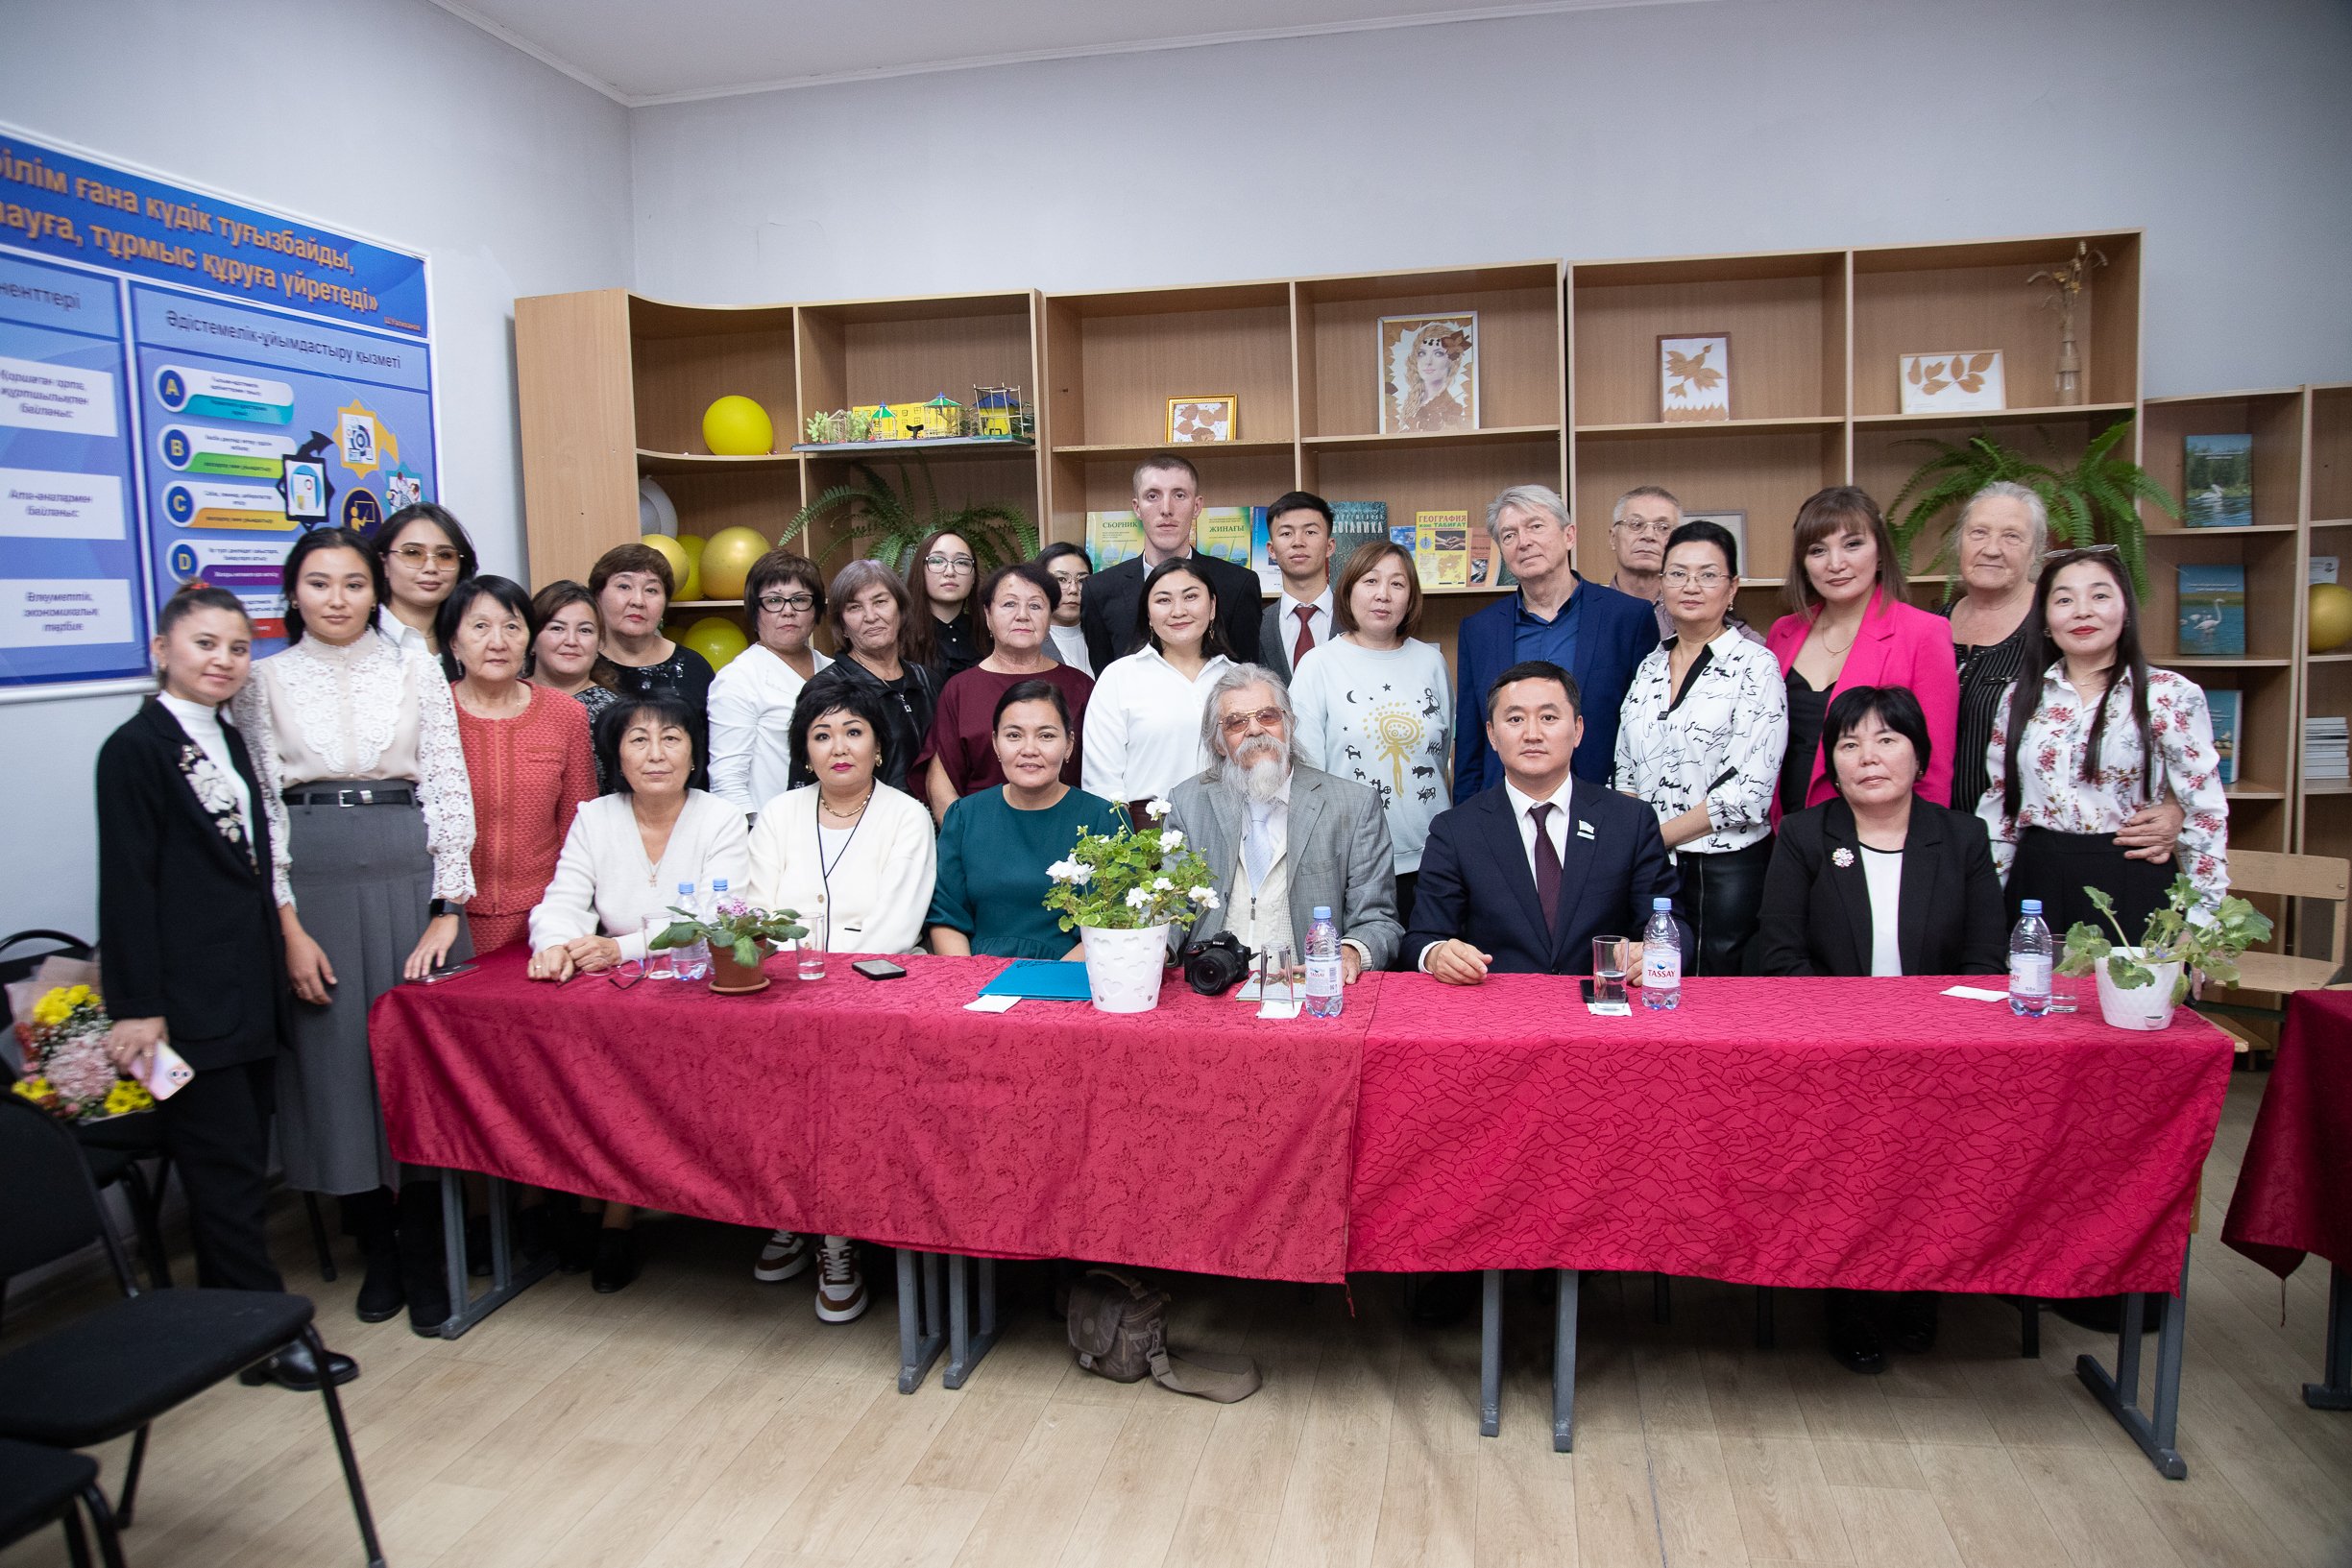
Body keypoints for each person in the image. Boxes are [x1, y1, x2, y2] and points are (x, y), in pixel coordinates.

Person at [97, 583, 358, 1392]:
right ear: (162, 650)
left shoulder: (229, 736)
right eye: (205, 644)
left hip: (245, 984)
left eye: (238, 647)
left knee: (238, 1161)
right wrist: (137, 1007)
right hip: (183, 1001)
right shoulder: (135, 748)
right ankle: (272, 1336)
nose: (223, 660)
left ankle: (230, 1334)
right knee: (226, 1172)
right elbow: (127, 886)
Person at [232, 527, 475, 1336]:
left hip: (408, 872)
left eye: (352, 583)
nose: (336, 599)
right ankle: (377, 1245)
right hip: (315, 883)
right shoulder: (262, 680)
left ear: (376, 591)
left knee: (419, 1063)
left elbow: (448, 786)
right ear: (292, 593)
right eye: (318, 583)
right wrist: (287, 925)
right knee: (338, 1068)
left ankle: (424, 1248)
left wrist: (447, 905)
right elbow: (261, 811)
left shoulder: (415, 667)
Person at [1748, 685, 2006, 1374]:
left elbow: (1986, 963)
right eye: (1849, 743)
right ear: (1831, 764)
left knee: (1943, 1138)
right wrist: (1854, 1033)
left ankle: (1922, 1285)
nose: (1868, 756)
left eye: (1887, 740)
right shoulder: (1805, 835)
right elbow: (1780, 956)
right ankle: (1851, 1299)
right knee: (1852, 1145)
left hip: (1941, 1049)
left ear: (1919, 756)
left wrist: (1930, 1035)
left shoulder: (1960, 837)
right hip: (1834, 1053)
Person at [525, 696, 748, 1291]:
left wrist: (619, 948)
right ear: (616, 756)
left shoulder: (721, 818)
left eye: (671, 739)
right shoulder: (594, 817)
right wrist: (555, 945)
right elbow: (562, 900)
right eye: (639, 740)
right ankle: (586, 1195)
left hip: (692, 988)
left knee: (637, 1069)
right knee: (571, 1062)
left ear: (694, 754)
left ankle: (616, 1217)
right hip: (611, 989)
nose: (656, 754)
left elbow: (715, 916)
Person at [744, 683, 937, 1323]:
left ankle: (836, 1241)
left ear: (879, 746)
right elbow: (756, 912)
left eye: (854, 732)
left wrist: (823, 980)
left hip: (874, 1001)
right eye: (822, 735)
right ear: (804, 751)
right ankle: (789, 1212)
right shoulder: (779, 814)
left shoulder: (907, 815)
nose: (839, 747)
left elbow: (895, 926)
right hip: (782, 996)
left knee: (841, 1099)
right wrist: (795, 979)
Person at [1979, 546, 2230, 934]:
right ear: (2044, 618)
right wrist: (1984, 911)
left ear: (2126, 610)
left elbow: (2205, 811)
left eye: (2099, 596)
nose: (2082, 611)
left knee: (2133, 975)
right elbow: (2001, 809)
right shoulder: (2018, 698)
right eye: (2064, 600)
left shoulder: (2170, 695)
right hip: (2037, 880)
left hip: (2132, 875)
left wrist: (2202, 924)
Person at [1943, 484, 2183, 862]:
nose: (1992, 548)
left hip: (2027, 848)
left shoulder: (2067, 626)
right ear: (1959, 541)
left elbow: (2148, 728)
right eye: (1979, 532)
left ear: (2037, 550)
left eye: (2012, 536)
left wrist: (2174, 806)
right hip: (1932, 834)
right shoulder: (1927, 629)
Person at [1408, 662, 1684, 981]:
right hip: (1497, 1004)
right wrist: (1437, 954)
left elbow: (1673, 925)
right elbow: (1422, 938)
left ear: (1577, 730)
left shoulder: (1629, 821)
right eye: (1515, 719)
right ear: (1492, 735)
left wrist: (1653, 951)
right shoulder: (1455, 830)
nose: (1532, 734)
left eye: (1549, 718)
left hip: (1603, 1001)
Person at [1613, 519, 1787, 976]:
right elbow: (1625, 767)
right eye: (1678, 573)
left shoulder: (1757, 665)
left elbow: (1747, 792)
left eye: (1708, 574)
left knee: (1713, 988)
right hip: (1652, 868)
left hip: (1723, 870)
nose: (1691, 586)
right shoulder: (1650, 665)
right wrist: (1640, 844)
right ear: (1662, 583)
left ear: (1732, 588)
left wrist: (1648, 839)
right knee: (1651, 981)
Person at [1165, 666, 1402, 977]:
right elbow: (1170, 907)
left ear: (1289, 725)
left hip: (1307, 986)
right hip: (1211, 985)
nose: (1254, 730)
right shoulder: (1188, 803)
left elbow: (1378, 922)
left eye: (1267, 716)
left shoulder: (1354, 805)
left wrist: (1350, 953)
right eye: (1236, 722)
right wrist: (1154, 950)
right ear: (1219, 742)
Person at [1764, 486, 1959, 818]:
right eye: (1817, 550)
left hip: (1875, 830)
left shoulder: (1924, 633)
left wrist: (1919, 843)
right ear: (1803, 563)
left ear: (1880, 553)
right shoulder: (1783, 632)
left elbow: (1933, 768)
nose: (1835, 563)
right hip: (1785, 830)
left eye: (1852, 544)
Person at [1453, 485, 1657, 796]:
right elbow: (1471, 743)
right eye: (1509, 535)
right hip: (1504, 809)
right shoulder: (1478, 630)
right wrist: (1467, 819)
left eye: (1536, 526)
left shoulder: (1628, 618)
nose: (1524, 542)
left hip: (1602, 804)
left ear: (1569, 536)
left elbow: (1645, 731)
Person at [1289, 541, 1452, 926]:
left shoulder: (1431, 661)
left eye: (1397, 584)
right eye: (1371, 581)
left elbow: (1441, 754)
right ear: (1348, 590)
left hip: (1431, 855)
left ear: (1411, 596)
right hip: (1352, 861)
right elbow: (1306, 775)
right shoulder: (1318, 665)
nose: (1383, 594)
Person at [441, 576, 598, 954]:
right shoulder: (432, 712)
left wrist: (566, 916)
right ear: (454, 642)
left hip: (544, 917)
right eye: (480, 626)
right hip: (448, 917)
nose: (498, 642)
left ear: (528, 639)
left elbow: (578, 827)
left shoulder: (565, 714)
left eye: (512, 627)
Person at [928, 680, 1128, 959]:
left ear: (1069, 745)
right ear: (995, 743)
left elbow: (1113, 922)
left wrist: (1046, 979)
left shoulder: (1104, 820)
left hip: (1069, 973)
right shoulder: (965, 816)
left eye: (1046, 736)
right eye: (1014, 735)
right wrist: (969, 978)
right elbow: (947, 918)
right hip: (975, 973)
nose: (1029, 749)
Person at [921, 563, 1093, 823]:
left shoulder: (1080, 686)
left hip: (1070, 831)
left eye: (1035, 606)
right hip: (982, 830)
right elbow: (941, 782)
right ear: (988, 614)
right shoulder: (960, 689)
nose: (1022, 615)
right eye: (1009, 604)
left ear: (1050, 616)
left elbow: (1099, 772)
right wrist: (964, 837)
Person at [1082, 557, 1235, 821]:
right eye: (1164, 600)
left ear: (1212, 607)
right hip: (1147, 832)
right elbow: (1102, 781)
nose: (1178, 611)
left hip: (1231, 824)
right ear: (1148, 615)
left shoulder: (1238, 678)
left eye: (1190, 597)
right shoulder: (1120, 677)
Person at [1079, 453, 1264, 668]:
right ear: (1137, 508)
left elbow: (1246, 676)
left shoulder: (1238, 584)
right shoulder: (1099, 590)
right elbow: (1105, 676)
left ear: (1197, 506)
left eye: (1179, 495)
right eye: (1152, 496)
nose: (1166, 509)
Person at [788, 559, 936, 795]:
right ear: (842, 626)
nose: (871, 616)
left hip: (931, 816)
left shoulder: (929, 681)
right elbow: (803, 782)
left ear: (901, 610)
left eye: (880, 602)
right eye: (854, 607)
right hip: (862, 815)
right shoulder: (826, 689)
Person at [707, 550, 830, 817]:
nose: (788, 611)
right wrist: (754, 833)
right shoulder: (738, 678)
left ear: (816, 610)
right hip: (768, 828)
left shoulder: (834, 670)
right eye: (774, 600)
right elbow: (727, 781)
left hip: (836, 823)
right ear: (755, 611)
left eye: (800, 600)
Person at [591, 542, 715, 784]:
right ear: (598, 595)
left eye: (651, 590)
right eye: (624, 586)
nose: (638, 601)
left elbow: (713, 755)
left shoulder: (693, 667)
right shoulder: (582, 665)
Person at [1609, 486, 1763, 646]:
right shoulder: (1593, 607)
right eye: (1635, 524)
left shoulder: (1696, 609)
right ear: (1613, 538)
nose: (1649, 536)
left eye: (1663, 527)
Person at [529, 580, 623, 792]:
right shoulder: (507, 700)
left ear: (599, 644)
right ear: (531, 639)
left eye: (585, 630)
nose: (571, 640)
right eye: (557, 628)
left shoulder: (615, 716)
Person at [371, 501, 476, 667]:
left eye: (445, 556)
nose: (431, 568)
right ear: (383, 564)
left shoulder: (469, 639)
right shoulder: (360, 637)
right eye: (413, 553)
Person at [1256, 492, 1336, 685]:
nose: (1298, 542)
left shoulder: (1358, 619)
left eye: (1310, 532)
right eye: (1286, 533)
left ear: (1330, 546)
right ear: (1271, 550)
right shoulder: (1255, 624)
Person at [909, 528, 982, 681]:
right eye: (937, 561)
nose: (950, 572)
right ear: (920, 571)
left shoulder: (990, 633)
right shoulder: (900, 635)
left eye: (962, 562)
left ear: (974, 577)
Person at [1394, 320, 1472, 433]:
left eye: (1438, 353)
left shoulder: (1452, 409)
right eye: (1422, 353)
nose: (1428, 361)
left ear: (1451, 361)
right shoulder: (1409, 400)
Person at [1036, 542, 1095, 674]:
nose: (1073, 589)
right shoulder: (1028, 644)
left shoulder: (1103, 637)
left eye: (1082, 580)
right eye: (1061, 579)